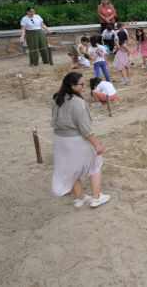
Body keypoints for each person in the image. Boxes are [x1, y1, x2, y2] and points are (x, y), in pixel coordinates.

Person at [51, 72, 110, 208]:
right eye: (81, 84)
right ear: (72, 85)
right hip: (74, 139)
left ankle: (80, 198)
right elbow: (85, 128)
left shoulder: (57, 99)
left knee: (70, 168)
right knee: (95, 164)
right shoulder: (77, 102)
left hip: (59, 140)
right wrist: (97, 145)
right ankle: (96, 198)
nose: (83, 86)